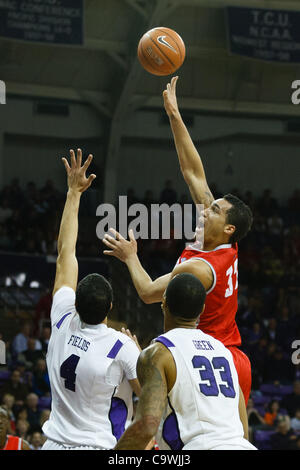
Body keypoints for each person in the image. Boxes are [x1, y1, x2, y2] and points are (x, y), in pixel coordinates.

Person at [103, 77, 253, 405]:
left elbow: (146, 293)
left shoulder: (201, 268)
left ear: (228, 229)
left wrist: (130, 256)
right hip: (224, 354)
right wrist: (174, 114)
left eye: (213, 210)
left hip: (213, 360)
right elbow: (193, 173)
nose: (205, 208)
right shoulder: (223, 241)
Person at [41, 149, 140, 451]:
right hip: (95, 446)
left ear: (76, 302)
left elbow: (65, 254)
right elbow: (152, 395)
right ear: (110, 307)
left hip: (54, 443)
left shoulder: (61, 316)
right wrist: (141, 355)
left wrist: (73, 193)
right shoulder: (121, 345)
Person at [115, 273, 256, 450]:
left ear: (164, 302)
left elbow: (147, 425)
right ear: (202, 309)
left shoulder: (158, 353)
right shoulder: (224, 352)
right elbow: (243, 428)